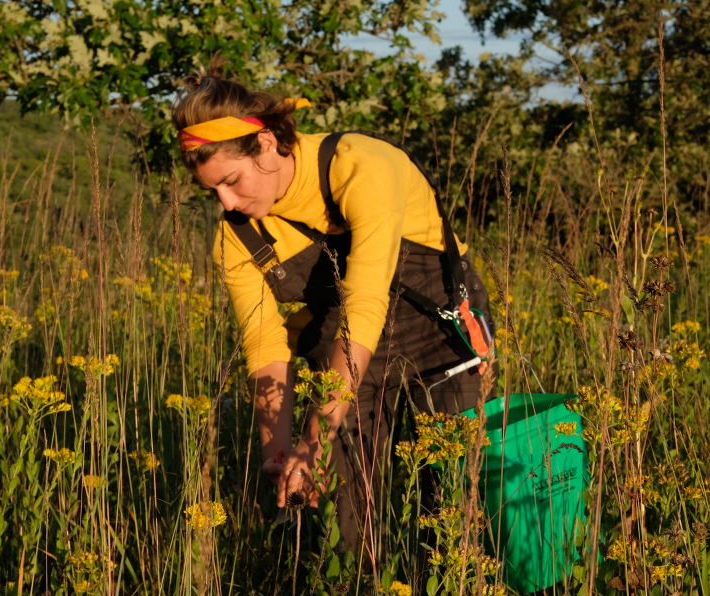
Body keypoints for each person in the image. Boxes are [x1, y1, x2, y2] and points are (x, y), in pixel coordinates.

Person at [173, 62, 497, 561]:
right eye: (212, 190)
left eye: (232, 181)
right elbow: (263, 343)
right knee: (341, 520)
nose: (227, 202)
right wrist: (280, 453)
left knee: (456, 511)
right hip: (341, 358)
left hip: (441, 337)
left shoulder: (359, 164)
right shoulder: (235, 237)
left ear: (265, 145)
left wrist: (314, 435)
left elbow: (365, 299)